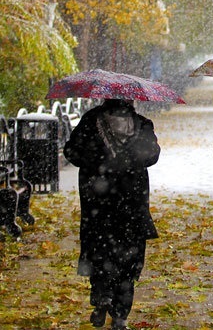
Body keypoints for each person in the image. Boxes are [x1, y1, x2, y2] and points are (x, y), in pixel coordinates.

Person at [63, 98, 160, 330]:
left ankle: (101, 297)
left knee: (99, 252)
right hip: (132, 205)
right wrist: (129, 160)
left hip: (99, 204)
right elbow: (153, 155)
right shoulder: (142, 124)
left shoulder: (90, 122)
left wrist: (98, 162)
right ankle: (120, 316)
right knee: (128, 261)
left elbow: (71, 152)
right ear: (132, 100)